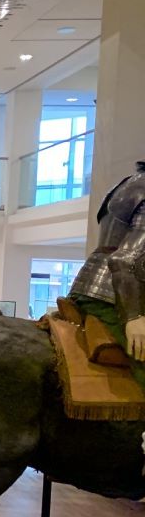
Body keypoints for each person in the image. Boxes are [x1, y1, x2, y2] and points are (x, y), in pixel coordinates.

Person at [69, 161, 145, 386]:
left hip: (101, 290)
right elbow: (125, 259)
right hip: (112, 296)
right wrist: (133, 317)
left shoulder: (131, 182)